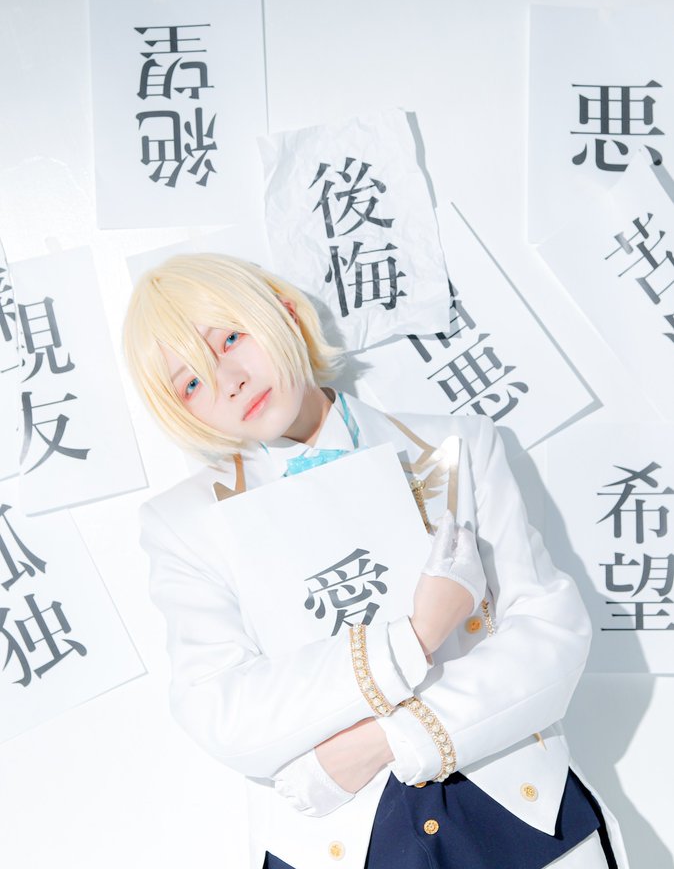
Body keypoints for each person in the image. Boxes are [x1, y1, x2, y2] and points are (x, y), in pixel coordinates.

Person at [124, 252, 628, 869]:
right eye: (191, 383)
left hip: (515, 811)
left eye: (230, 338)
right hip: (338, 842)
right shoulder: (185, 525)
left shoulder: (459, 445)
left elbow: (551, 635)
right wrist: (414, 637)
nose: (229, 380)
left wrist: (385, 740)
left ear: (285, 312)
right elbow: (223, 711)